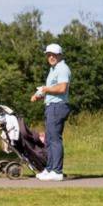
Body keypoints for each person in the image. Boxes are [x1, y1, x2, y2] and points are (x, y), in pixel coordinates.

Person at [29, 43, 71, 181]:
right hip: (51, 106)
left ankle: (57, 171)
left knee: (55, 140)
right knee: (49, 139)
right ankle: (50, 168)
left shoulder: (62, 68)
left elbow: (62, 88)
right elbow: (52, 87)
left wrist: (46, 90)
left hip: (57, 106)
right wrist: (39, 94)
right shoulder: (53, 69)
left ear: (60, 55)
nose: (51, 57)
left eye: (54, 54)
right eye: (49, 55)